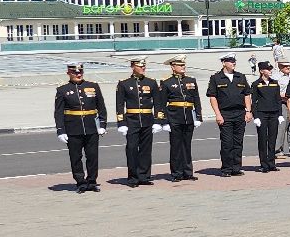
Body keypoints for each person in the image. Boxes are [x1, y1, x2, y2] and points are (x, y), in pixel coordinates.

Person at [54, 61, 107, 193]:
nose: (78, 74)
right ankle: (80, 182)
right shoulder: (62, 90)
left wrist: (102, 124)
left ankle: (92, 181)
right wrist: (61, 130)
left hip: (91, 127)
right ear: (68, 73)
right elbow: (58, 112)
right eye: (75, 72)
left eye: (80, 71)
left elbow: (101, 107)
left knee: (93, 156)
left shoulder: (93, 86)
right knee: (75, 157)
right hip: (73, 128)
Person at [111, 57, 161, 187]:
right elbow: (119, 104)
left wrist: (157, 120)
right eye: (140, 66)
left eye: (144, 66)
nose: (143, 68)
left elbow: (158, 103)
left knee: (146, 149)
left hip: (147, 120)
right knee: (132, 149)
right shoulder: (124, 83)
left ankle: (144, 176)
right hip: (132, 120)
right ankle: (133, 177)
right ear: (133, 67)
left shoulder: (151, 82)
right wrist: (121, 123)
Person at [160, 55, 203, 181]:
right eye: (180, 65)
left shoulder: (191, 80)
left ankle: (187, 172)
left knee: (187, 145)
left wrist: (198, 117)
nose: (183, 67)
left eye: (184, 65)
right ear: (173, 67)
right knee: (176, 146)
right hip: (174, 117)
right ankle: (176, 173)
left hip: (188, 116)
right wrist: (164, 121)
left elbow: (196, 99)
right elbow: (162, 103)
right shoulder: (167, 82)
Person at [205, 55, 249, 176]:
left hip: (240, 112)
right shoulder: (216, 78)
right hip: (225, 113)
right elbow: (212, 97)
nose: (233, 63)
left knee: (238, 142)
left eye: (234, 61)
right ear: (224, 63)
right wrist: (218, 114)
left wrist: (248, 111)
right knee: (227, 142)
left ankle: (236, 168)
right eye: (230, 61)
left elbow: (246, 94)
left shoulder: (240, 76)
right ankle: (226, 169)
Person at [248, 61, 284, 173]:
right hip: (262, 114)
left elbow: (278, 100)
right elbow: (254, 101)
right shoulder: (256, 84)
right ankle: (264, 164)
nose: (270, 71)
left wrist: (280, 114)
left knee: (272, 139)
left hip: (273, 114)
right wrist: (256, 116)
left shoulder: (275, 83)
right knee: (263, 139)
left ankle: (272, 163)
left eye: (270, 69)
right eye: (268, 69)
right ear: (261, 71)